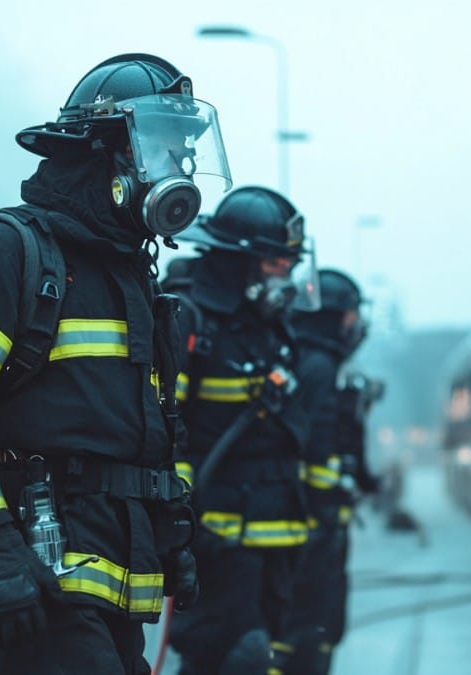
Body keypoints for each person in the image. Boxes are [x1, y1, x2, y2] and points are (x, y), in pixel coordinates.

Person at [0, 53, 232, 674]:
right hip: (37, 592)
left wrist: (171, 532)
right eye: (163, 148)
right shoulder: (8, 252)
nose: (178, 169)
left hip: (108, 606)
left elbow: (142, 438)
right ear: (104, 151)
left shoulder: (131, 279)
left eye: (184, 152)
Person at [164, 186, 334, 675]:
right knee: (229, 657)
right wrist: (187, 521)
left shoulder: (271, 327)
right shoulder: (190, 320)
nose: (287, 276)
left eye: (289, 264)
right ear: (240, 262)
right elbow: (163, 431)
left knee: (271, 656)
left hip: (278, 538)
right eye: (277, 263)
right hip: (217, 540)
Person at [283, 269, 380, 675]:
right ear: (334, 316)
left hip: (311, 527)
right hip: (313, 533)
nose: (355, 324)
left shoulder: (310, 362)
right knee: (312, 627)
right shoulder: (320, 367)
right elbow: (317, 447)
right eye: (351, 314)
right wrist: (327, 507)